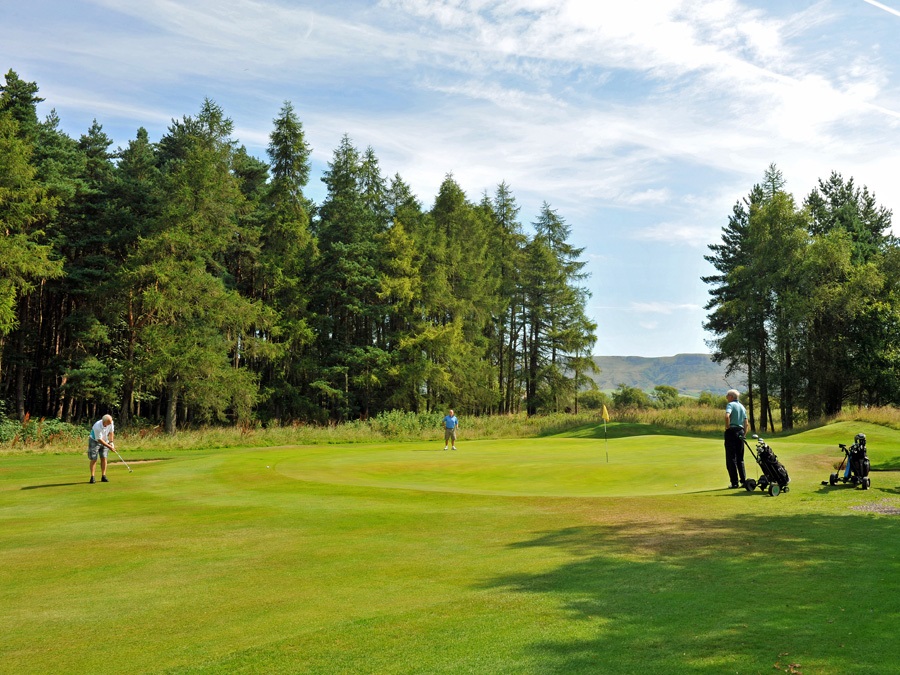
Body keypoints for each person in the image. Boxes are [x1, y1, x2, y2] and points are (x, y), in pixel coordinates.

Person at [723, 390, 749, 488]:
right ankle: (743, 481)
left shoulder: (730, 405)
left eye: (727, 395)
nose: (726, 397)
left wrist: (727, 427)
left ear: (731, 396)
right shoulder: (742, 407)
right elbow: (746, 423)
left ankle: (734, 482)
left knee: (731, 458)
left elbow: (727, 416)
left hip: (732, 432)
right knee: (740, 458)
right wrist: (744, 434)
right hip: (741, 432)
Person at [88, 414, 116, 483]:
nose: (110, 423)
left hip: (105, 440)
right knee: (94, 459)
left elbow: (111, 432)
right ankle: (92, 477)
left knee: (104, 457)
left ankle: (103, 476)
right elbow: (99, 440)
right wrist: (109, 447)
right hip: (94, 441)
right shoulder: (97, 426)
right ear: (104, 422)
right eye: (109, 422)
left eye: (111, 422)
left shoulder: (110, 422)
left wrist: (111, 442)